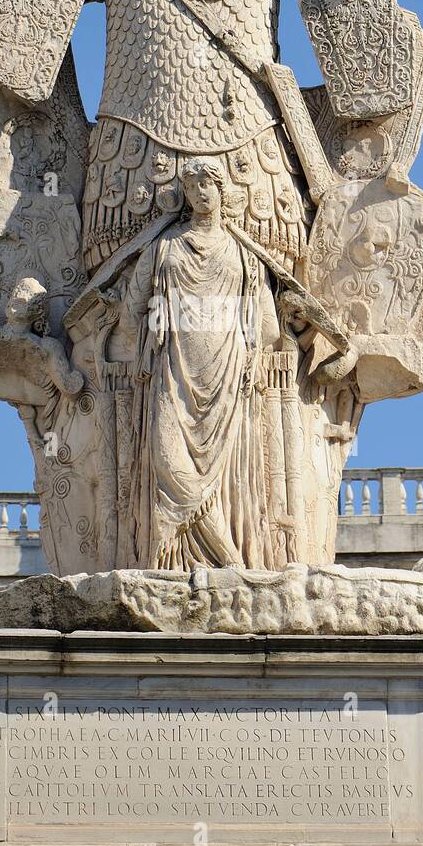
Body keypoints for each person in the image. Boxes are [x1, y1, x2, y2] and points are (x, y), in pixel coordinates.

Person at [120, 158, 278, 570]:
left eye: (209, 184)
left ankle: (227, 558)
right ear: (185, 196)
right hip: (171, 370)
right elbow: (130, 310)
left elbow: (267, 324)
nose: (201, 192)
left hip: (226, 374)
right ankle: (185, 559)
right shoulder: (163, 248)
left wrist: (255, 353)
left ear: (223, 193)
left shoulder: (245, 256)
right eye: (193, 186)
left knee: (224, 476)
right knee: (168, 460)